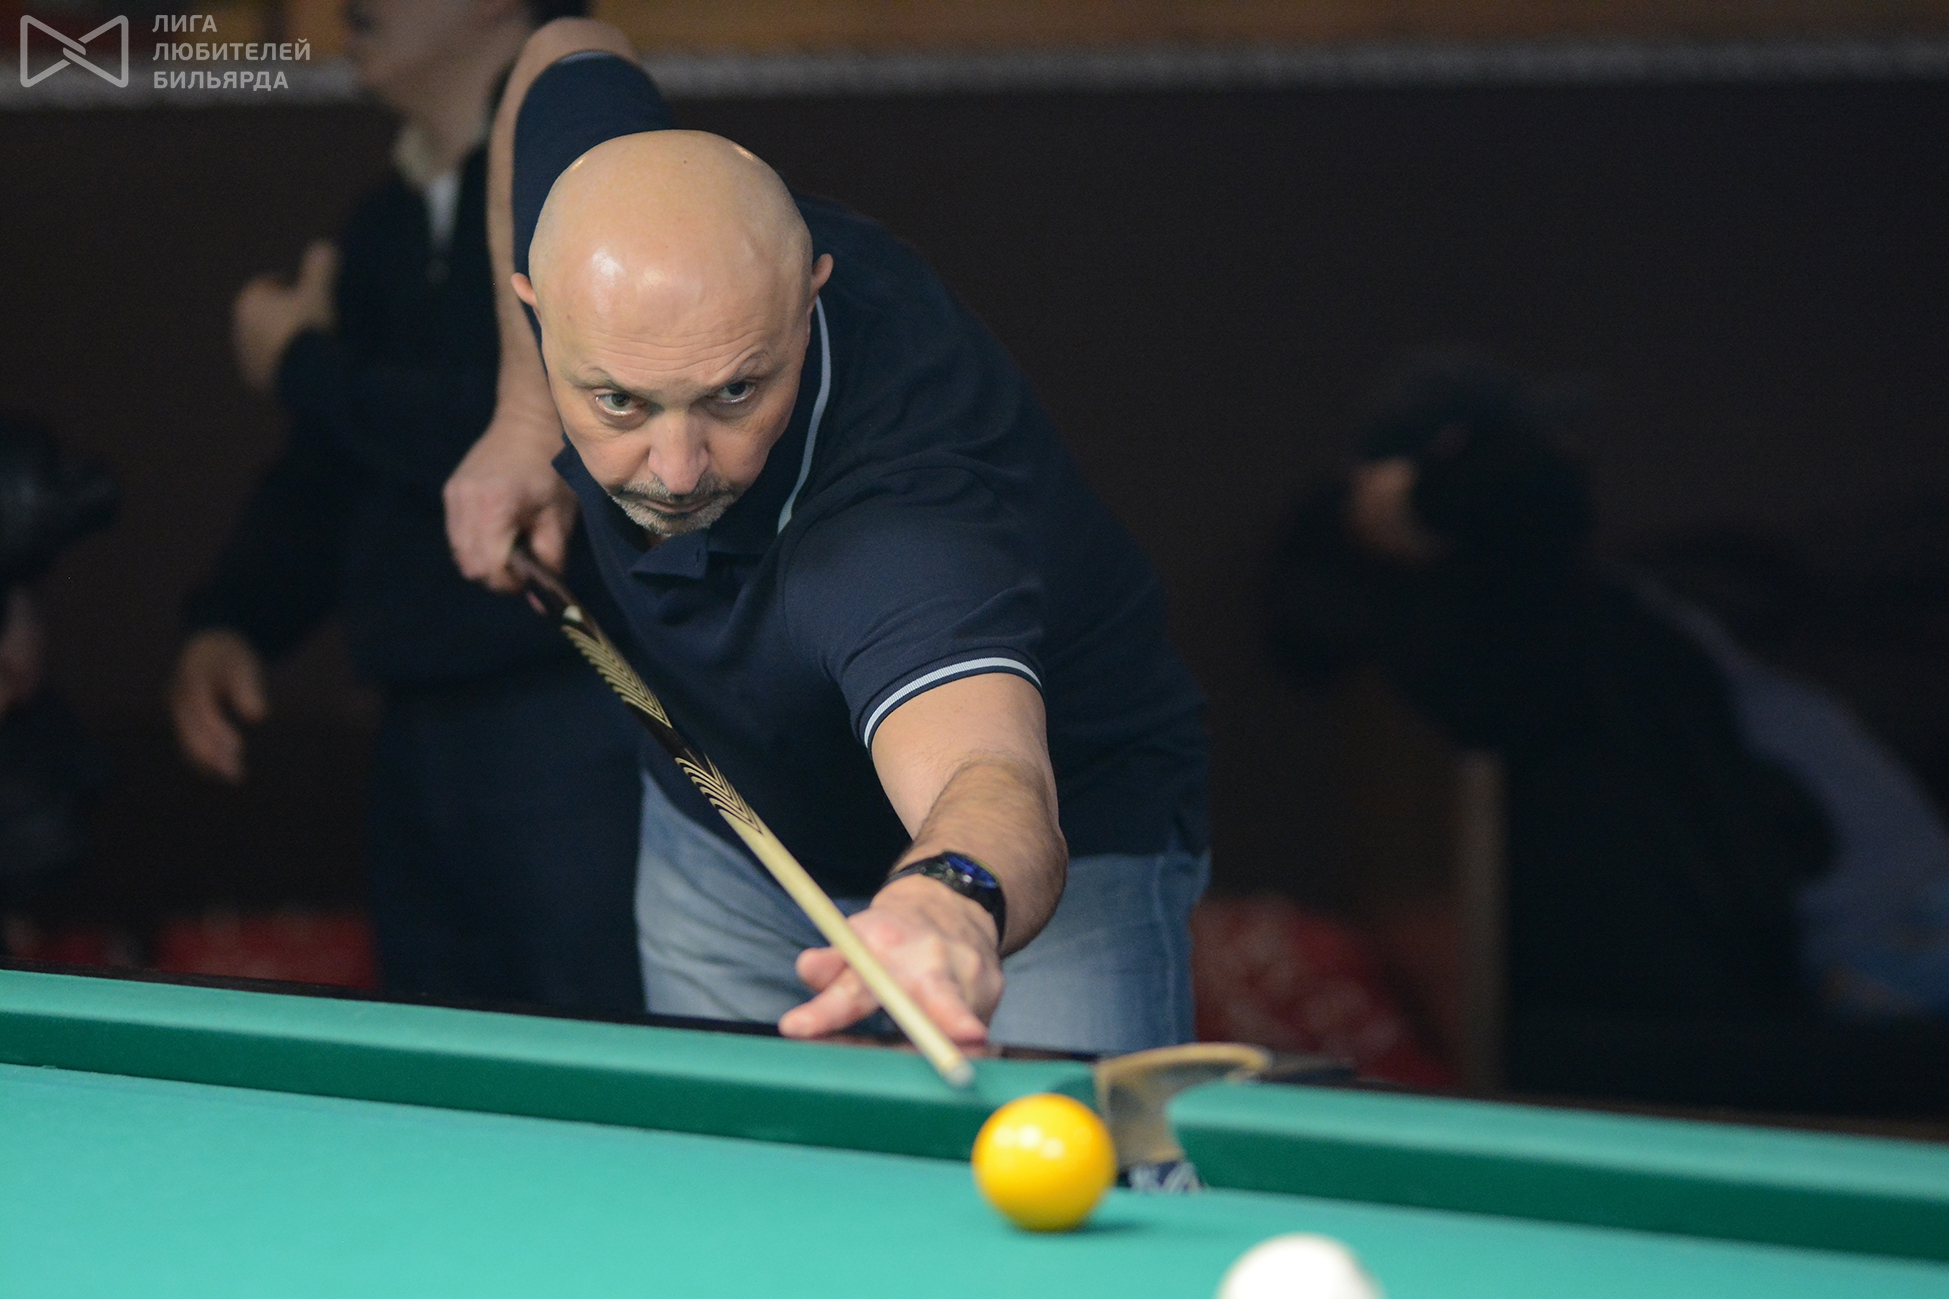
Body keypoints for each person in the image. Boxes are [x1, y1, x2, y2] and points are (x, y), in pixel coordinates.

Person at [442, 22, 1210, 1053]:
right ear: (542, 313)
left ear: (809, 301)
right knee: (732, 1153)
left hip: (1044, 868)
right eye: (619, 401)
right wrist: (523, 415)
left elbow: (990, 778)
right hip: (725, 822)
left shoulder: (898, 528)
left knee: (1065, 1151)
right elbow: (559, 52)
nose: (677, 470)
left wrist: (946, 904)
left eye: (734, 392)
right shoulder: (592, 205)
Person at [168, 0, 645, 1014]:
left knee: (593, 1046)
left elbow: (520, 437)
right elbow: (338, 465)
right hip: (413, 719)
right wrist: (234, 618)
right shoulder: (384, 217)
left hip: (577, 705)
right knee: (435, 1050)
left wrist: (299, 361)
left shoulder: (595, 183)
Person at [1265, 357, 1833, 1022]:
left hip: (1739, 972)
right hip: (1606, 1006)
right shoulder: (1447, 623)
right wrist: (1410, 510)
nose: (1562, 457)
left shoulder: (1593, 613)